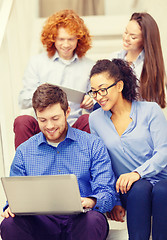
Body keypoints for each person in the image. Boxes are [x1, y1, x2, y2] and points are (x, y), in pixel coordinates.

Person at [0, 83, 119, 240]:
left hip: (80, 220)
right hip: (41, 222)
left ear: (67, 112)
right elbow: (15, 197)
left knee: (93, 220)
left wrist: (91, 201)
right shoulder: (24, 151)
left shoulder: (92, 145)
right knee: (9, 224)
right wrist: (11, 207)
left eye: (55, 118)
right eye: (42, 120)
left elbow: (107, 192)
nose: (49, 126)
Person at [88, 59, 167, 240]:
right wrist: (114, 200)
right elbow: (101, 163)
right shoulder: (95, 119)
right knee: (139, 188)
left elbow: (164, 152)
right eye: (94, 92)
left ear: (119, 85)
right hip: (129, 189)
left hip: (162, 180)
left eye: (102, 89)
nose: (98, 97)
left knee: (162, 191)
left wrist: (137, 173)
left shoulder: (150, 110)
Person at [14, 9, 95, 149]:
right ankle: (24, 168)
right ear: (53, 39)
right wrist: (39, 92)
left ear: (79, 39)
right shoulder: (37, 62)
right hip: (44, 126)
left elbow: (98, 101)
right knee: (22, 121)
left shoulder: (89, 66)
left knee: (88, 120)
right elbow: (22, 100)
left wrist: (91, 102)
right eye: (61, 39)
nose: (66, 44)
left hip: (73, 127)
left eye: (71, 39)